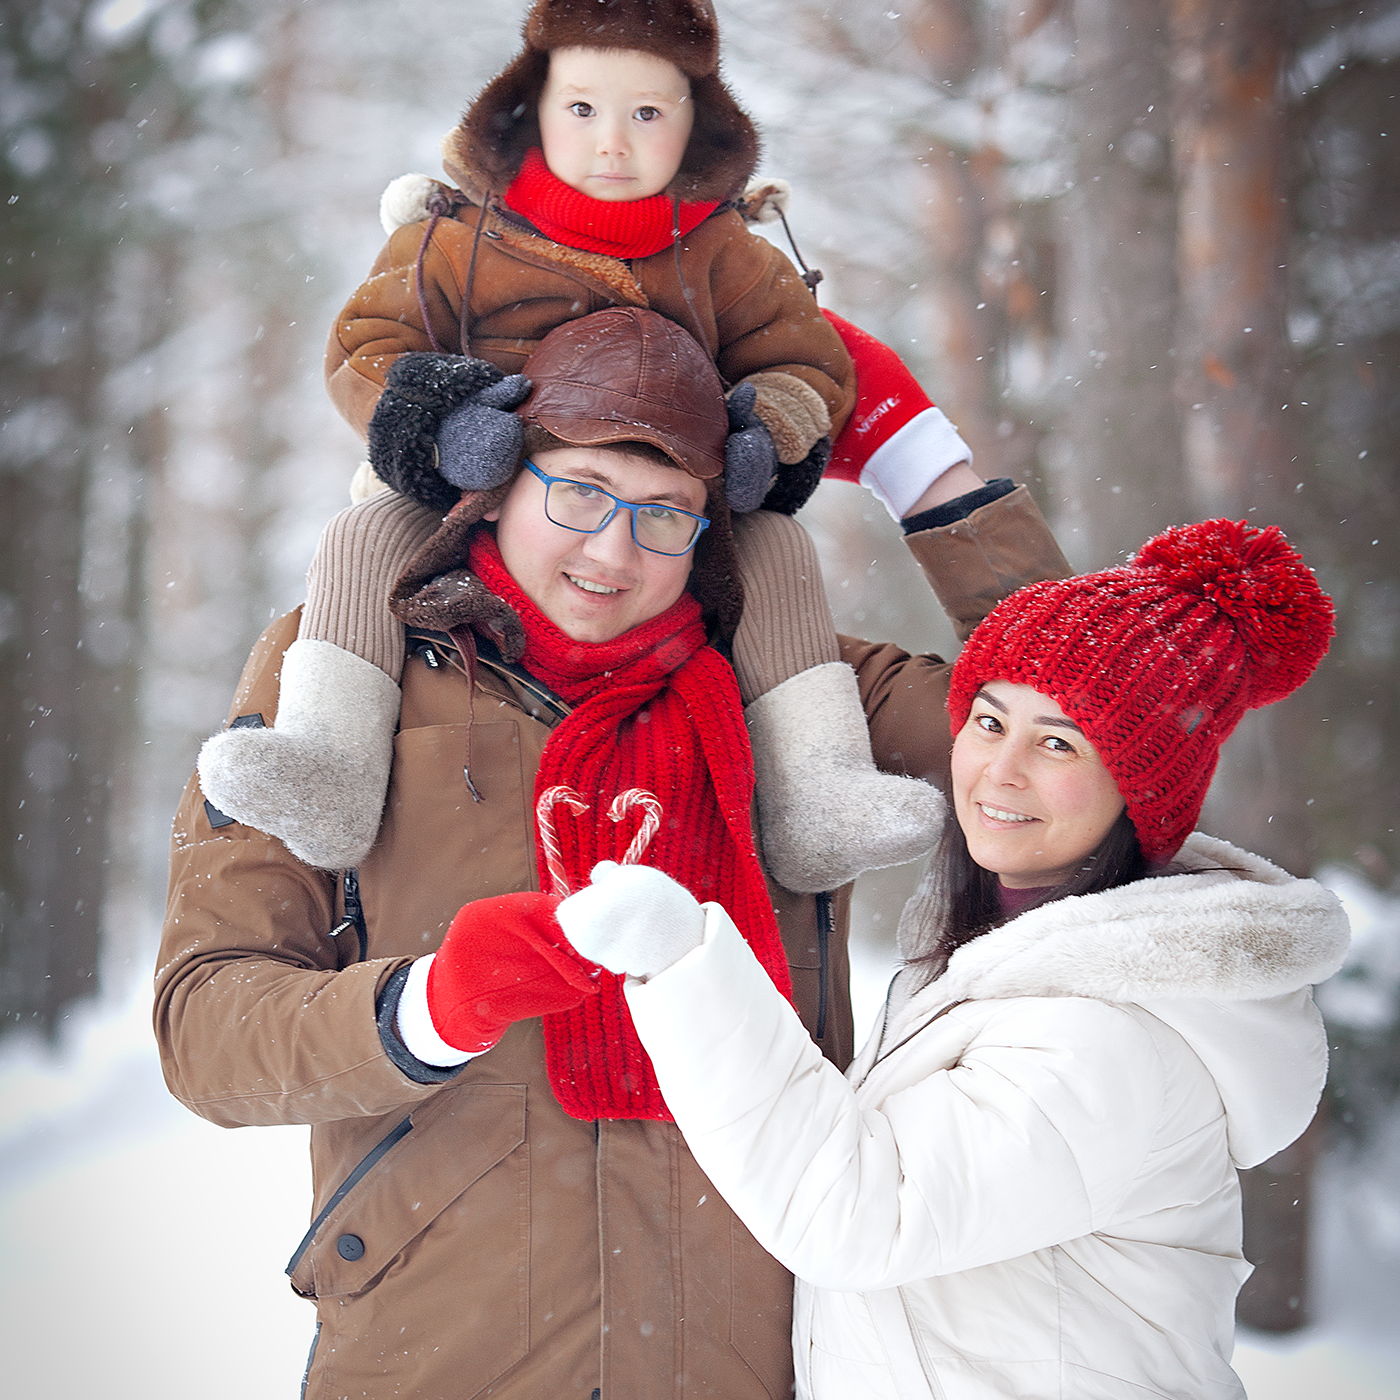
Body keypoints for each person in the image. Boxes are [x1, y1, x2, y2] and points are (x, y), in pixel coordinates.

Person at [155, 304, 1072, 1399]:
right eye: (577, 493)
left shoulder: (798, 690)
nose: (611, 550)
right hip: (437, 1347)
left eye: (664, 514)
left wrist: (929, 472)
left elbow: (1083, 705)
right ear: (498, 481)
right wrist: (426, 1006)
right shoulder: (341, 676)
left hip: (744, 1347)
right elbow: (204, 1023)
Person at [555, 518, 1352, 1400]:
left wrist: (682, 965)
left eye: (1059, 742)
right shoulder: (1012, 965)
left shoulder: (1114, 1039)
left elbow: (860, 1214)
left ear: (1141, 791)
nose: (997, 772)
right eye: (988, 720)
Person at [195, 0, 972, 893]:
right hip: (464, 471)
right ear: (530, 109)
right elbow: (367, 344)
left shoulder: (725, 252)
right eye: (583, 110)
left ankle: (817, 788)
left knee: (779, 554)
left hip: (668, 491)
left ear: (696, 122)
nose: (613, 143)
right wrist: (442, 422)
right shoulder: (461, 236)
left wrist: (773, 426)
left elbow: (806, 358)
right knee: (365, 539)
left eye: (647, 113)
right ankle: (331, 757)